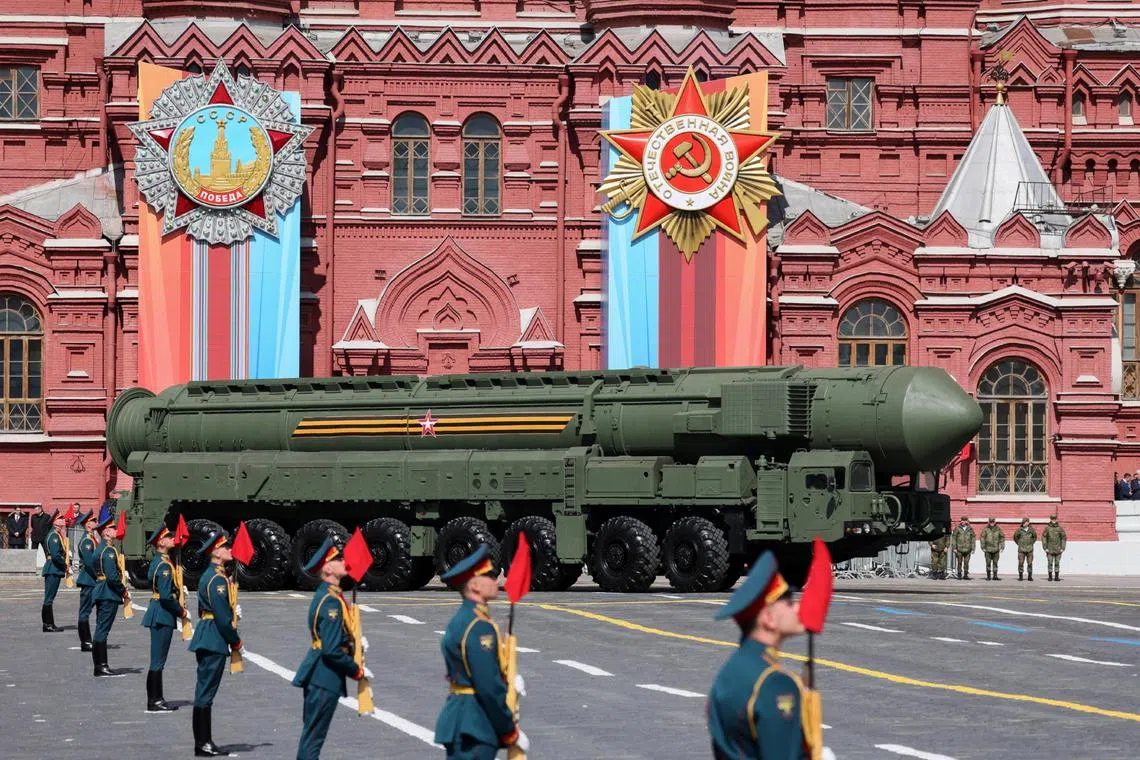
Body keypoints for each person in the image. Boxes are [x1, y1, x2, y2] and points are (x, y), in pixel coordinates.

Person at [707, 551, 828, 760]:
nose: (798, 607)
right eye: (789, 602)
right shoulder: (776, 684)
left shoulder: (730, 671)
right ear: (769, 618)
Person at [434, 544, 529, 760]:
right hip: (475, 724)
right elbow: (487, 684)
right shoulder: (478, 626)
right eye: (490, 576)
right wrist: (509, 729)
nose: (496, 581)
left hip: (464, 719)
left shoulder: (464, 619)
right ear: (475, 585)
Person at [292, 538, 371, 759]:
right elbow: (331, 649)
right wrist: (356, 669)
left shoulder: (330, 596)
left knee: (312, 736)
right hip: (324, 675)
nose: (344, 561)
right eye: (338, 559)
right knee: (313, 739)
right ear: (327, 568)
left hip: (321, 674)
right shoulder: (330, 602)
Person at [189, 529, 243, 757]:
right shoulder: (217, 580)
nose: (231, 550)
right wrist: (236, 641)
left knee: (204, 691)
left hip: (207, 633)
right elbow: (221, 618)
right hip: (214, 637)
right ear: (216, 551)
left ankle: (203, 741)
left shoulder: (211, 575)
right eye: (227, 547)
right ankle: (203, 743)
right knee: (205, 693)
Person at [142, 522, 183, 714]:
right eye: (168, 537)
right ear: (160, 542)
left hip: (158, 611)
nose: (172, 539)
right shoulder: (164, 566)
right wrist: (181, 611)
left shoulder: (159, 562)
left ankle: (157, 698)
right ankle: (155, 700)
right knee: (158, 660)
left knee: (157, 659)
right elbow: (166, 596)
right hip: (162, 613)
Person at [92, 508, 127, 677]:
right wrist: (123, 590)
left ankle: (99, 665)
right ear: (106, 532)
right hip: (108, 592)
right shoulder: (108, 551)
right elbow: (112, 576)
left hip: (100, 590)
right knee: (102, 630)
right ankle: (101, 665)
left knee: (100, 628)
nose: (116, 531)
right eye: (113, 528)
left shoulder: (100, 549)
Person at [40, 508, 68, 633]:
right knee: (49, 598)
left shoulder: (56, 535)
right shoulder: (54, 536)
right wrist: (65, 566)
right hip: (53, 568)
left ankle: (49, 623)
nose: (63, 520)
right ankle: (47, 624)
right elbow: (56, 555)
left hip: (53, 568)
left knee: (49, 597)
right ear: (56, 522)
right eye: (61, 518)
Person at [75, 509, 98, 651]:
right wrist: (100, 576)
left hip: (92, 579)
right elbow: (90, 563)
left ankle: (89, 640)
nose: (96, 522)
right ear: (88, 524)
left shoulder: (92, 539)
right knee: (85, 611)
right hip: (89, 579)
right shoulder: (86, 541)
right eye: (94, 520)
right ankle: (85, 641)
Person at [1042, 514, 1068, 581]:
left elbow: (1063, 538)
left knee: (1057, 563)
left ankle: (1056, 577)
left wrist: (1063, 547)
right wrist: (1045, 548)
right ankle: (1050, 577)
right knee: (1050, 563)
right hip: (1049, 549)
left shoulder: (1059, 528)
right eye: (1052, 519)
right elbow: (1044, 538)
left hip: (1058, 549)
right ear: (1050, 519)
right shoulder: (1047, 528)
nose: (1053, 520)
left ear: (1056, 519)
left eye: (1054, 519)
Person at [980, 517, 1005, 581]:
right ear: (989, 522)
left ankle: (995, 576)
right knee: (988, 563)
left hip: (996, 549)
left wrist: (1002, 547)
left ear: (995, 522)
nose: (992, 523)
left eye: (993, 522)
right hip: (988, 549)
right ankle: (988, 576)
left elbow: (1002, 538)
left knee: (995, 563)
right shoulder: (985, 529)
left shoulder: (998, 529)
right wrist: (983, 547)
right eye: (991, 522)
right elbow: (982, 538)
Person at [1013, 517, 1037, 582]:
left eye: (1025, 522)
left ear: (1028, 523)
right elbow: (1015, 537)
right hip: (1021, 550)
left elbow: (1035, 537)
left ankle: (1030, 576)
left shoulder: (1032, 530)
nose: (1024, 523)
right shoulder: (1019, 530)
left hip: (1030, 550)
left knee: (1030, 563)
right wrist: (1019, 544)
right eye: (1023, 522)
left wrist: (1031, 543)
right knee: (1021, 563)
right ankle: (1020, 576)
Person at [952, 515, 976, 580]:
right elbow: (954, 538)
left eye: (965, 520)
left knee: (966, 562)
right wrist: (954, 548)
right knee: (959, 562)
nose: (963, 522)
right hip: (959, 549)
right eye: (962, 520)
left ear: (967, 521)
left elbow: (973, 538)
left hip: (968, 549)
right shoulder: (957, 528)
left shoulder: (970, 529)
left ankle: (965, 575)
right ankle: (959, 574)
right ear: (961, 521)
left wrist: (973, 548)